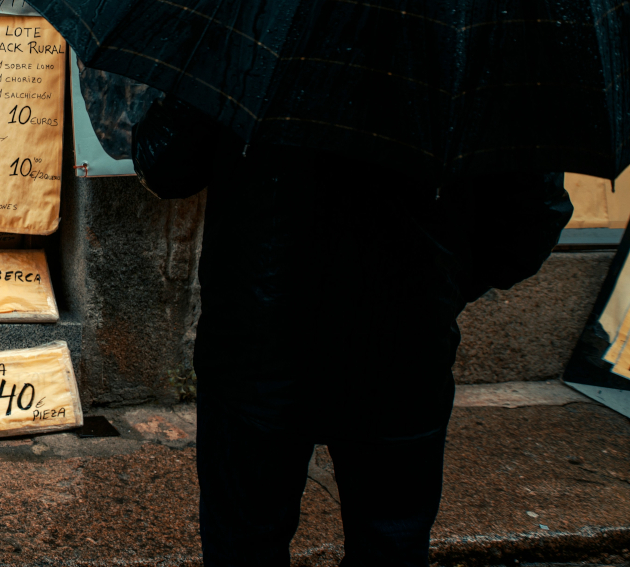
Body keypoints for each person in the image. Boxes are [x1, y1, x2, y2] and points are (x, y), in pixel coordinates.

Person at [132, 96, 572, 566]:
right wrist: (442, 284)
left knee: (246, 538)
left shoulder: (255, 32)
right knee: (390, 539)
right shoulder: (480, 57)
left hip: (259, 334)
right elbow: (531, 221)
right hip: (403, 344)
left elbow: (165, 164)